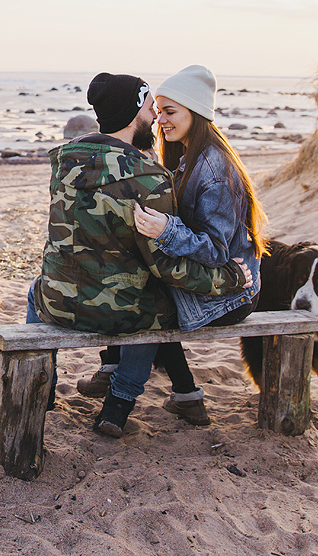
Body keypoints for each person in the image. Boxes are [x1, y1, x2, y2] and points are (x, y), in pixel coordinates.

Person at [27, 71, 250, 438]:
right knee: (156, 304)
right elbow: (169, 268)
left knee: (37, 287)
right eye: (150, 108)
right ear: (134, 116)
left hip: (58, 304)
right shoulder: (150, 179)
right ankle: (119, 401)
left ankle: (43, 389)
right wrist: (231, 278)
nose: (156, 118)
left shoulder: (64, 164)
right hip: (124, 316)